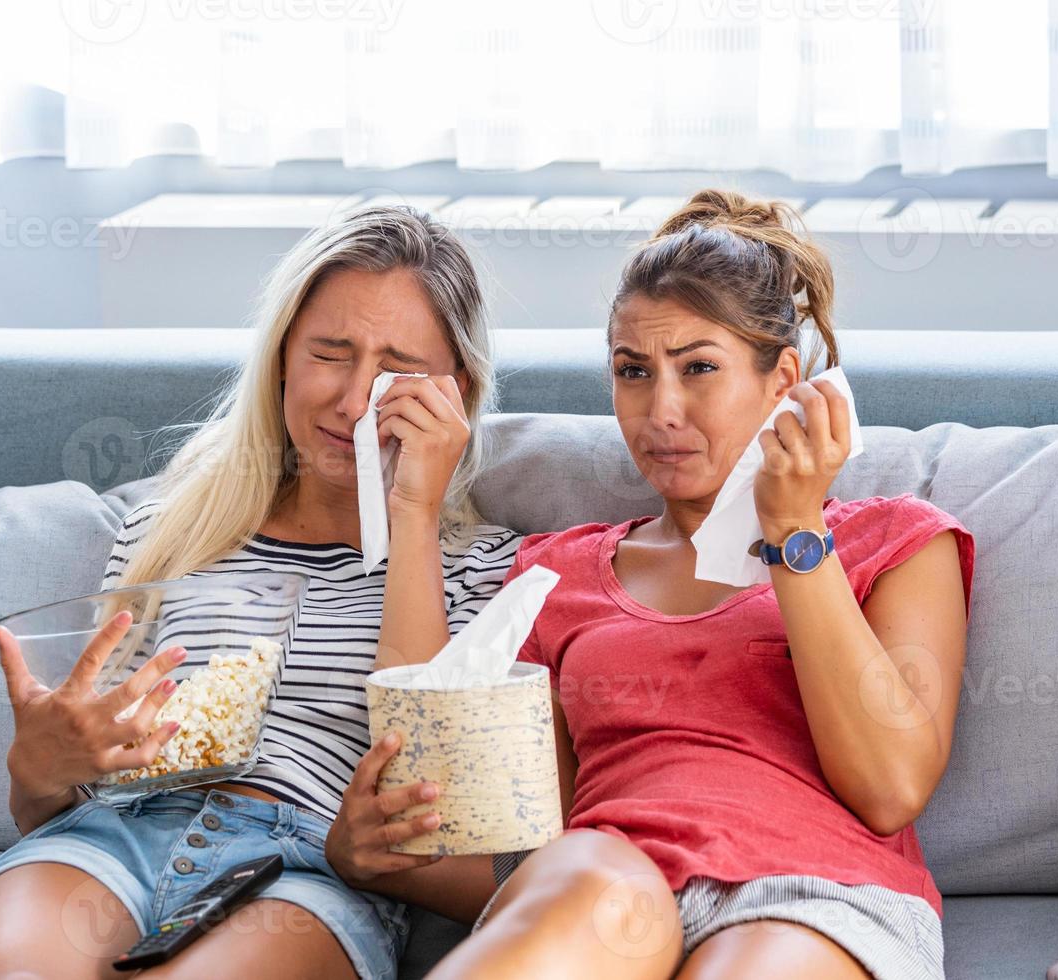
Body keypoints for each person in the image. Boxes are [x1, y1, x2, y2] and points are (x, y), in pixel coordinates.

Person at [327, 189, 975, 980]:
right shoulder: (554, 571)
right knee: (585, 875)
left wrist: (793, 531)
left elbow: (889, 788)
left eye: (699, 367)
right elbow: (504, 822)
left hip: (815, 895)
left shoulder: (895, 540)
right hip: (606, 879)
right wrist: (372, 857)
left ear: (786, 381)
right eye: (634, 372)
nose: (660, 409)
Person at [0, 204, 523, 980]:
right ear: (283, 356)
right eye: (330, 352)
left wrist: (414, 513)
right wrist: (38, 771)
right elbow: (63, 793)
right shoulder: (174, 525)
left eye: (395, 371)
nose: (354, 401)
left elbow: (435, 813)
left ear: (457, 391)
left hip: (307, 873)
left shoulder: (490, 571)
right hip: (112, 836)